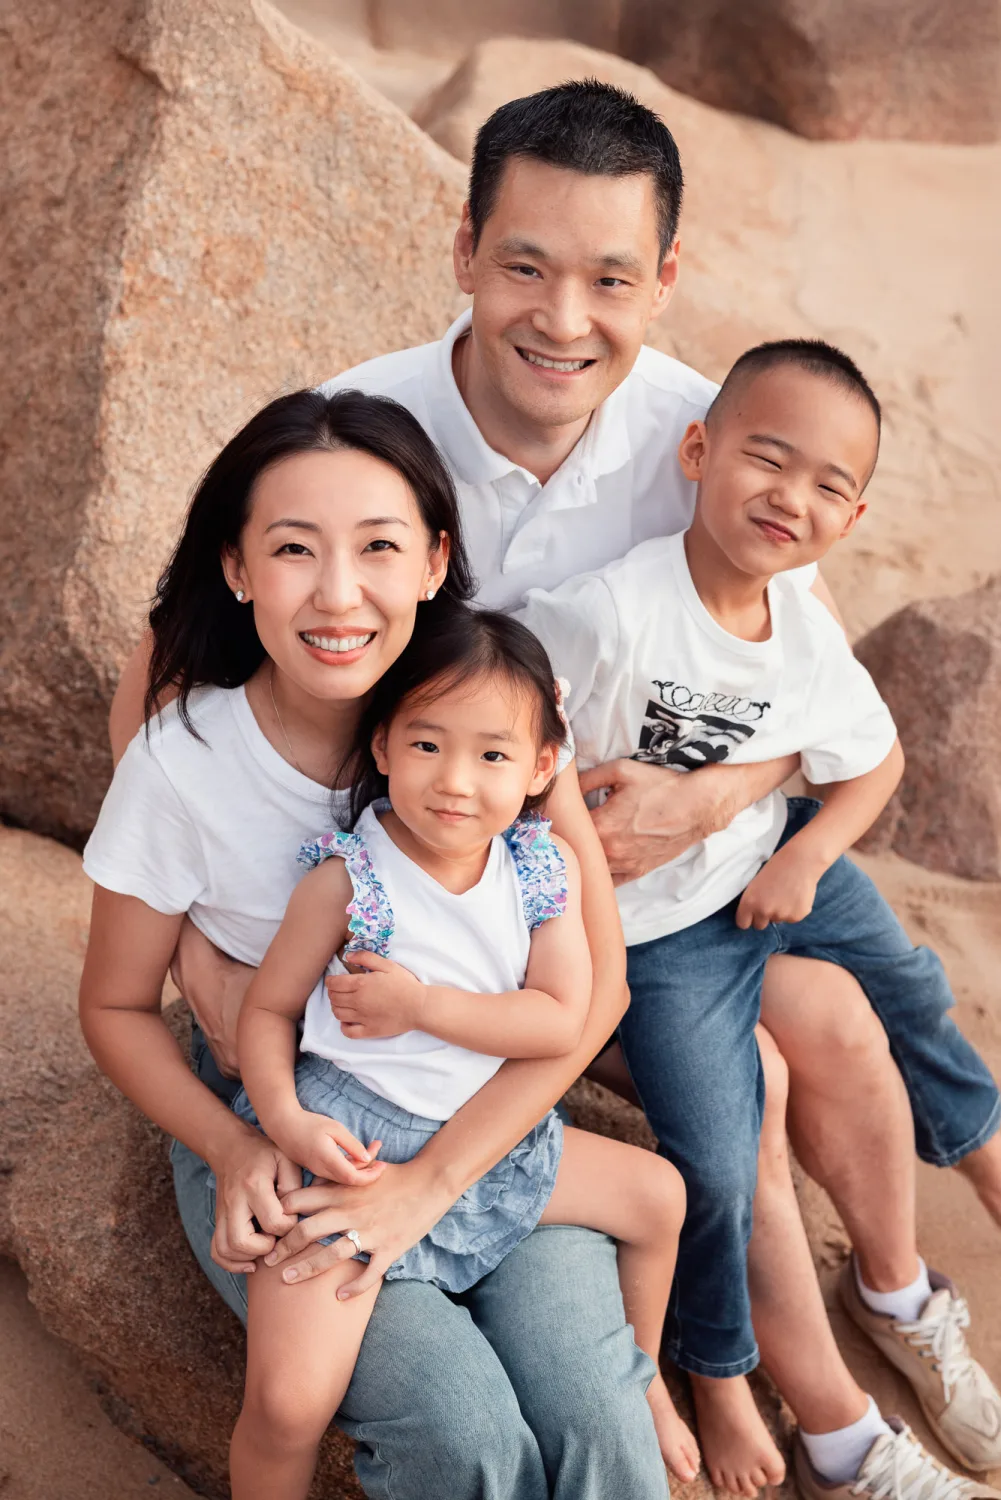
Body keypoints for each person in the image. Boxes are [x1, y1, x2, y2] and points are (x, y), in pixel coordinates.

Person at [108, 81, 1001, 1493]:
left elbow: (789, 676)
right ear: (462, 248)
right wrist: (197, 915)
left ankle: (893, 1312)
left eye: (609, 278)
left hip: (638, 885)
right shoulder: (366, 429)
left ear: (667, 278)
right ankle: (766, 1397)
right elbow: (172, 663)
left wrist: (714, 802)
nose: (562, 318)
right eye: (524, 264)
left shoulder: (722, 433)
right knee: (764, 1065)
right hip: (443, 913)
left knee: (839, 1018)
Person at [83, 388, 676, 1500]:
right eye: (295, 550)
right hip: (310, 1131)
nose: (339, 592)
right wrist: (229, 1144)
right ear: (238, 567)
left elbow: (589, 1001)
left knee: (599, 1423)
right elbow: (114, 1006)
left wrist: (435, 1184)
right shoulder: (184, 767)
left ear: (435, 557)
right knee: (464, 1440)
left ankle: (630, 1371)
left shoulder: (482, 713)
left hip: (492, 1122)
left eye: (378, 547)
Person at [517, 337, 1001, 1500]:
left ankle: (974, 1187)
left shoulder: (801, 623)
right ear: (697, 451)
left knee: (906, 984)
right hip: (660, 933)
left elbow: (872, 763)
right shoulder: (610, 613)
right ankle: (725, 1368)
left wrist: (816, 849)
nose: (791, 497)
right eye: (765, 461)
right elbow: (512, 738)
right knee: (719, 1159)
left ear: (854, 515)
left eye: (827, 486)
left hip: (775, 858)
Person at [229, 607, 698, 1499]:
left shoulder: (536, 869)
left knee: (659, 1196)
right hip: (352, 1139)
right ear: (381, 747)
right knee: (289, 1402)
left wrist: (420, 1005)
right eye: (427, 744)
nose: (455, 781)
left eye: (492, 756)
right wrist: (284, 1118)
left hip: (490, 1140)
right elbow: (266, 1013)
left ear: (540, 769)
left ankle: (645, 1389)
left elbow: (561, 1022)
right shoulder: (348, 880)